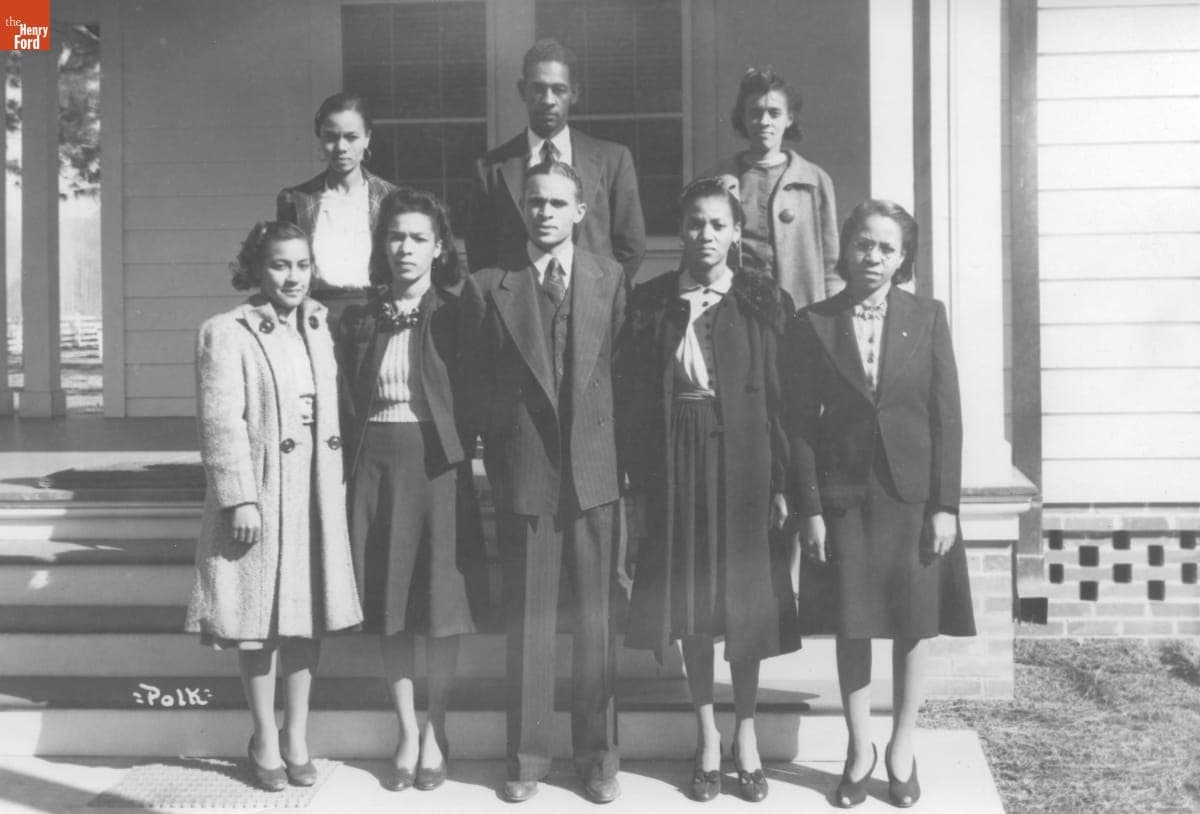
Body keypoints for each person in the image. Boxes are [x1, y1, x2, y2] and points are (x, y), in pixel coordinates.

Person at [781, 199, 976, 809]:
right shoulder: (812, 322)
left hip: (913, 499)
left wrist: (947, 505)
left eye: (886, 247)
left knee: (914, 623)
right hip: (844, 499)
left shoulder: (928, 315)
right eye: (864, 243)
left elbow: (948, 415)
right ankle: (859, 745)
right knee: (853, 621)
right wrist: (809, 508)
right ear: (847, 247)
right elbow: (798, 427)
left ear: (902, 257)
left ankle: (901, 745)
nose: (873, 255)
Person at [618, 178, 795, 803]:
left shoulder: (763, 302)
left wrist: (781, 483)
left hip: (745, 463)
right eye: (694, 223)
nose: (705, 236)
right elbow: (634, 402)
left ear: (735, 233)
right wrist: (639, 483)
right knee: (691, 601)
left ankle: (746, 733)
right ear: (681, 231)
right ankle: (706, 736)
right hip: (675, 462)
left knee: (744, 603)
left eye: (717, 225)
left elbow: (781, 402)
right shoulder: (650, 302)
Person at [468, 161, 626, 804]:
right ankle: (528, 755)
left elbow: (612, 369)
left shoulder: (609, 278)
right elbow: (479, 384)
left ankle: (598, 756)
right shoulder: (490, 286)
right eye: (535, 202)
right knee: (529, 621)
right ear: (521, 209)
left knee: (596, 621)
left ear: (581, 210)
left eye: (559, 203)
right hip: (528, 472)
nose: (546, 213)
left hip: (593, 473)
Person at [185, 221, 362, 792]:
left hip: (314, 488)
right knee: (257, 618)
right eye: (280, 265)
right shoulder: (227, 331)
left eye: (302, 265)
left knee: (307, 615)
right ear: (258, 270)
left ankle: (297, 736)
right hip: (261, 490)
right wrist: (240, 497)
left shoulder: (319, 322)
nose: (293, 276)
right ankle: (263, 736)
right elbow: (220, 422)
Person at [336, 188, 485, 793]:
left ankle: (436, 726)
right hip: (376, 463)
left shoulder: (457, 311)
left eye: (418, 237)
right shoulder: (360, 316)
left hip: (438, 464)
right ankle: (404, 728)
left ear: (438, 247)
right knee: (393, 607)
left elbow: (477, 389)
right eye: (395, 236)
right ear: (383, 243)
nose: (405, 247)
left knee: (442, 607)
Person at [465, 38, 646, 285]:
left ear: (574, 93)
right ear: (522, 90)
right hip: (519, 311)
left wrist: (603, 298)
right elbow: (480, 252)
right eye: (538, 89)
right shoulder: (491, 169)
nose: (548, 100)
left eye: (559, 90)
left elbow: (631, 246)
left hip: (594, 310)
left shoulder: (613, 160)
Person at [712, 68, 840, 309]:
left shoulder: (815, 181)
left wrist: (833, 315)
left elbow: (831, 263)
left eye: (774, 113)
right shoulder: (718, 180)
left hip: (796, 311)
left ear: (789, 118)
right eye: (756, 113)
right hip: (737, 307)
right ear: (743, 117)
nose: (764, 122)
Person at [277, 92, 399, 331]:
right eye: (331, 137)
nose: (341, 147)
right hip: (315, 317)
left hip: (377, 314)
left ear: (367, 138)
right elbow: (284, 268)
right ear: (320, 139)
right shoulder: (296, 200)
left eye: (351, 137)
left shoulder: (392, 198)